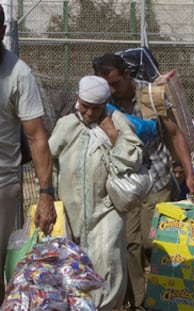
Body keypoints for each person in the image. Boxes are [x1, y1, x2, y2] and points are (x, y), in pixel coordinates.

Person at [92, 54, 194, 310]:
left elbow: (174, 133)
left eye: (116, 83)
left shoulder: (151, 95)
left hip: (156, 175)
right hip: (125, 183)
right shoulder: (102, 102)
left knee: (151, 241)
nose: (111, 90)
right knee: (129, 245)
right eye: (105, 85)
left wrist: (189, 173)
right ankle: (138, 303)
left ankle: (164, 292)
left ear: (127, 75)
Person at [48, 75, 144, 310]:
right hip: (70, 212)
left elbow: (134, 157)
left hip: (106, 211)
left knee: (107, 264)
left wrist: (111, 133)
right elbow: (48, 159)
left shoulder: (117, 121)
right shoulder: (66, 124)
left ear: (105, 104)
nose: (89, 113)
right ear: (78, 100)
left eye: (96, 108)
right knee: (71, 267)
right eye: (85, 106)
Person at [0, 4, 56, 304]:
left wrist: (46, 195)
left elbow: (36, 136)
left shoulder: (18, 74)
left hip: (2, 185)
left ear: (2, 32)